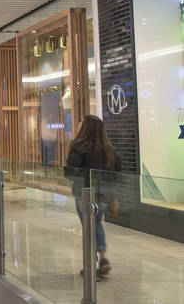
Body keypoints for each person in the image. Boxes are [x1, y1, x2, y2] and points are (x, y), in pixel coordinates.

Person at [65, 115, 121, 277]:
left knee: (89, 227)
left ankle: (92, 265)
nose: (78, 125)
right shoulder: (109, 148)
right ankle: (102, 257)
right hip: (104, 194)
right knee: (96, 223)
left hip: (84, 193)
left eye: (81, 123)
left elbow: (71, 171)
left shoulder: (78, 147)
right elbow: (117, 170)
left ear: (85, 128)